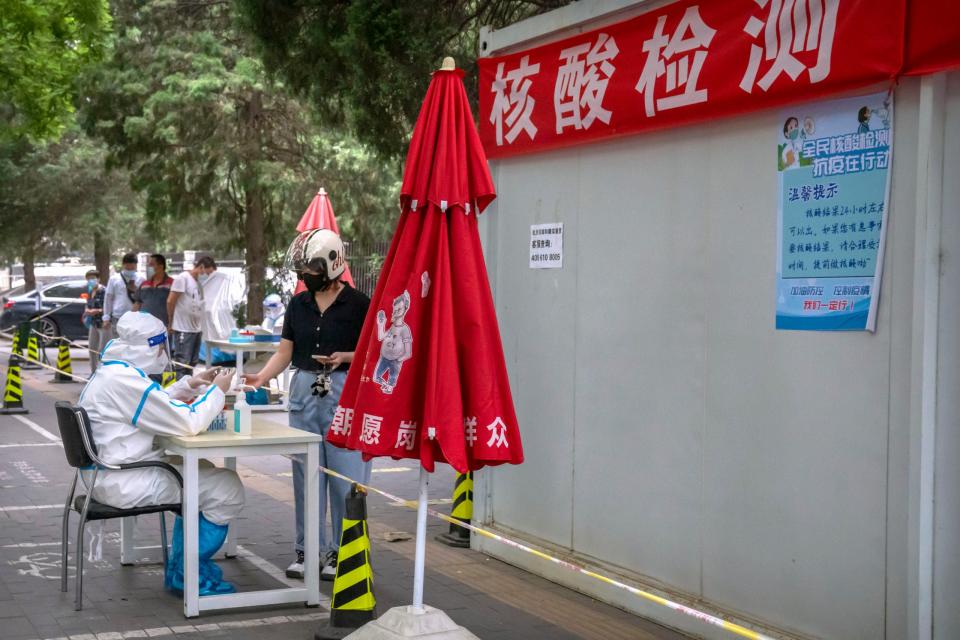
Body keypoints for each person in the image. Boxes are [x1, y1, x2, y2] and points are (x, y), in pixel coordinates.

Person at [79, 312, 242, 595]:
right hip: (125, 480)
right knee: (227, 487)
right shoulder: (124, 381)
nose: (164, 352)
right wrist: (216, 392)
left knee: (199, 469)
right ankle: (190, 574)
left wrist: (192, 383)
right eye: (160, 346)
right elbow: (188, 421)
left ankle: (183, 567)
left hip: (108, 475)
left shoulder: (113, 372)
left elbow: (153, 403)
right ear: (149, 347)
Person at [243, 229, 370, 581]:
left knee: (345, 477)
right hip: (304, 388)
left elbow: (375, 353)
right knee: (304, 474)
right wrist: (261, 377)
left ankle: (343, 552)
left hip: (344, 390)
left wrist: (345, 356)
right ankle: (307, 549)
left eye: (311, 268)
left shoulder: (359, 304)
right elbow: (286, 350)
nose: (305, 276)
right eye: (302, 270)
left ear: (332, 264)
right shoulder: (298, 304)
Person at [168, 257, 215, 379]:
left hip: (196, 329)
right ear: (201, 267)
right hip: (183, 328)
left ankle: (187, 389)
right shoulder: (183, 278)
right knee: (182, 362)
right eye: (208, 273)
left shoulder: (198, 284)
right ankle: (178, 391)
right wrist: (170, 322)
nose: (208, 276)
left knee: (192, 362)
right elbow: (170, 301)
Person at [102, 253, 142, 339]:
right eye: (128, 268)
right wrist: (106, 317)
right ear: (123, 265)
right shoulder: (114, 279)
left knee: (134, 343)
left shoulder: (141, 279)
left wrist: (136, 290)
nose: (130, 270)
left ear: (136, 266)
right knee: (119, 344)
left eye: (132, 268)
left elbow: (144, 298)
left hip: (135, 317)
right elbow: (108, 299)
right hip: (118, 316)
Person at [134, 254, 174, 327]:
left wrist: (171, 324)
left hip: (163, 327)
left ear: (161, 266)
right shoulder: (144, 284)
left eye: (151, 265)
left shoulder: (172, 283)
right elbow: (137, 303)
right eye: (148, 265)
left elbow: (175, 305)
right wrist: (133, 320)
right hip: (144, 327)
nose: (149, 267)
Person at [81, 270, 108, 372]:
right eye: (88, 279)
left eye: (92, 278)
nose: (90, 281)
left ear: (98, 279)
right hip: (93, 323)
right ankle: (93, 372)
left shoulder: (104, 291)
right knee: (92, 348)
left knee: (102, 349)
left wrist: (97, 311)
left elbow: (108, 307)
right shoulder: (90, 291)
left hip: (103, 323)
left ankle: (103, 372)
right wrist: (87, 311)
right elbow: (88, 305)